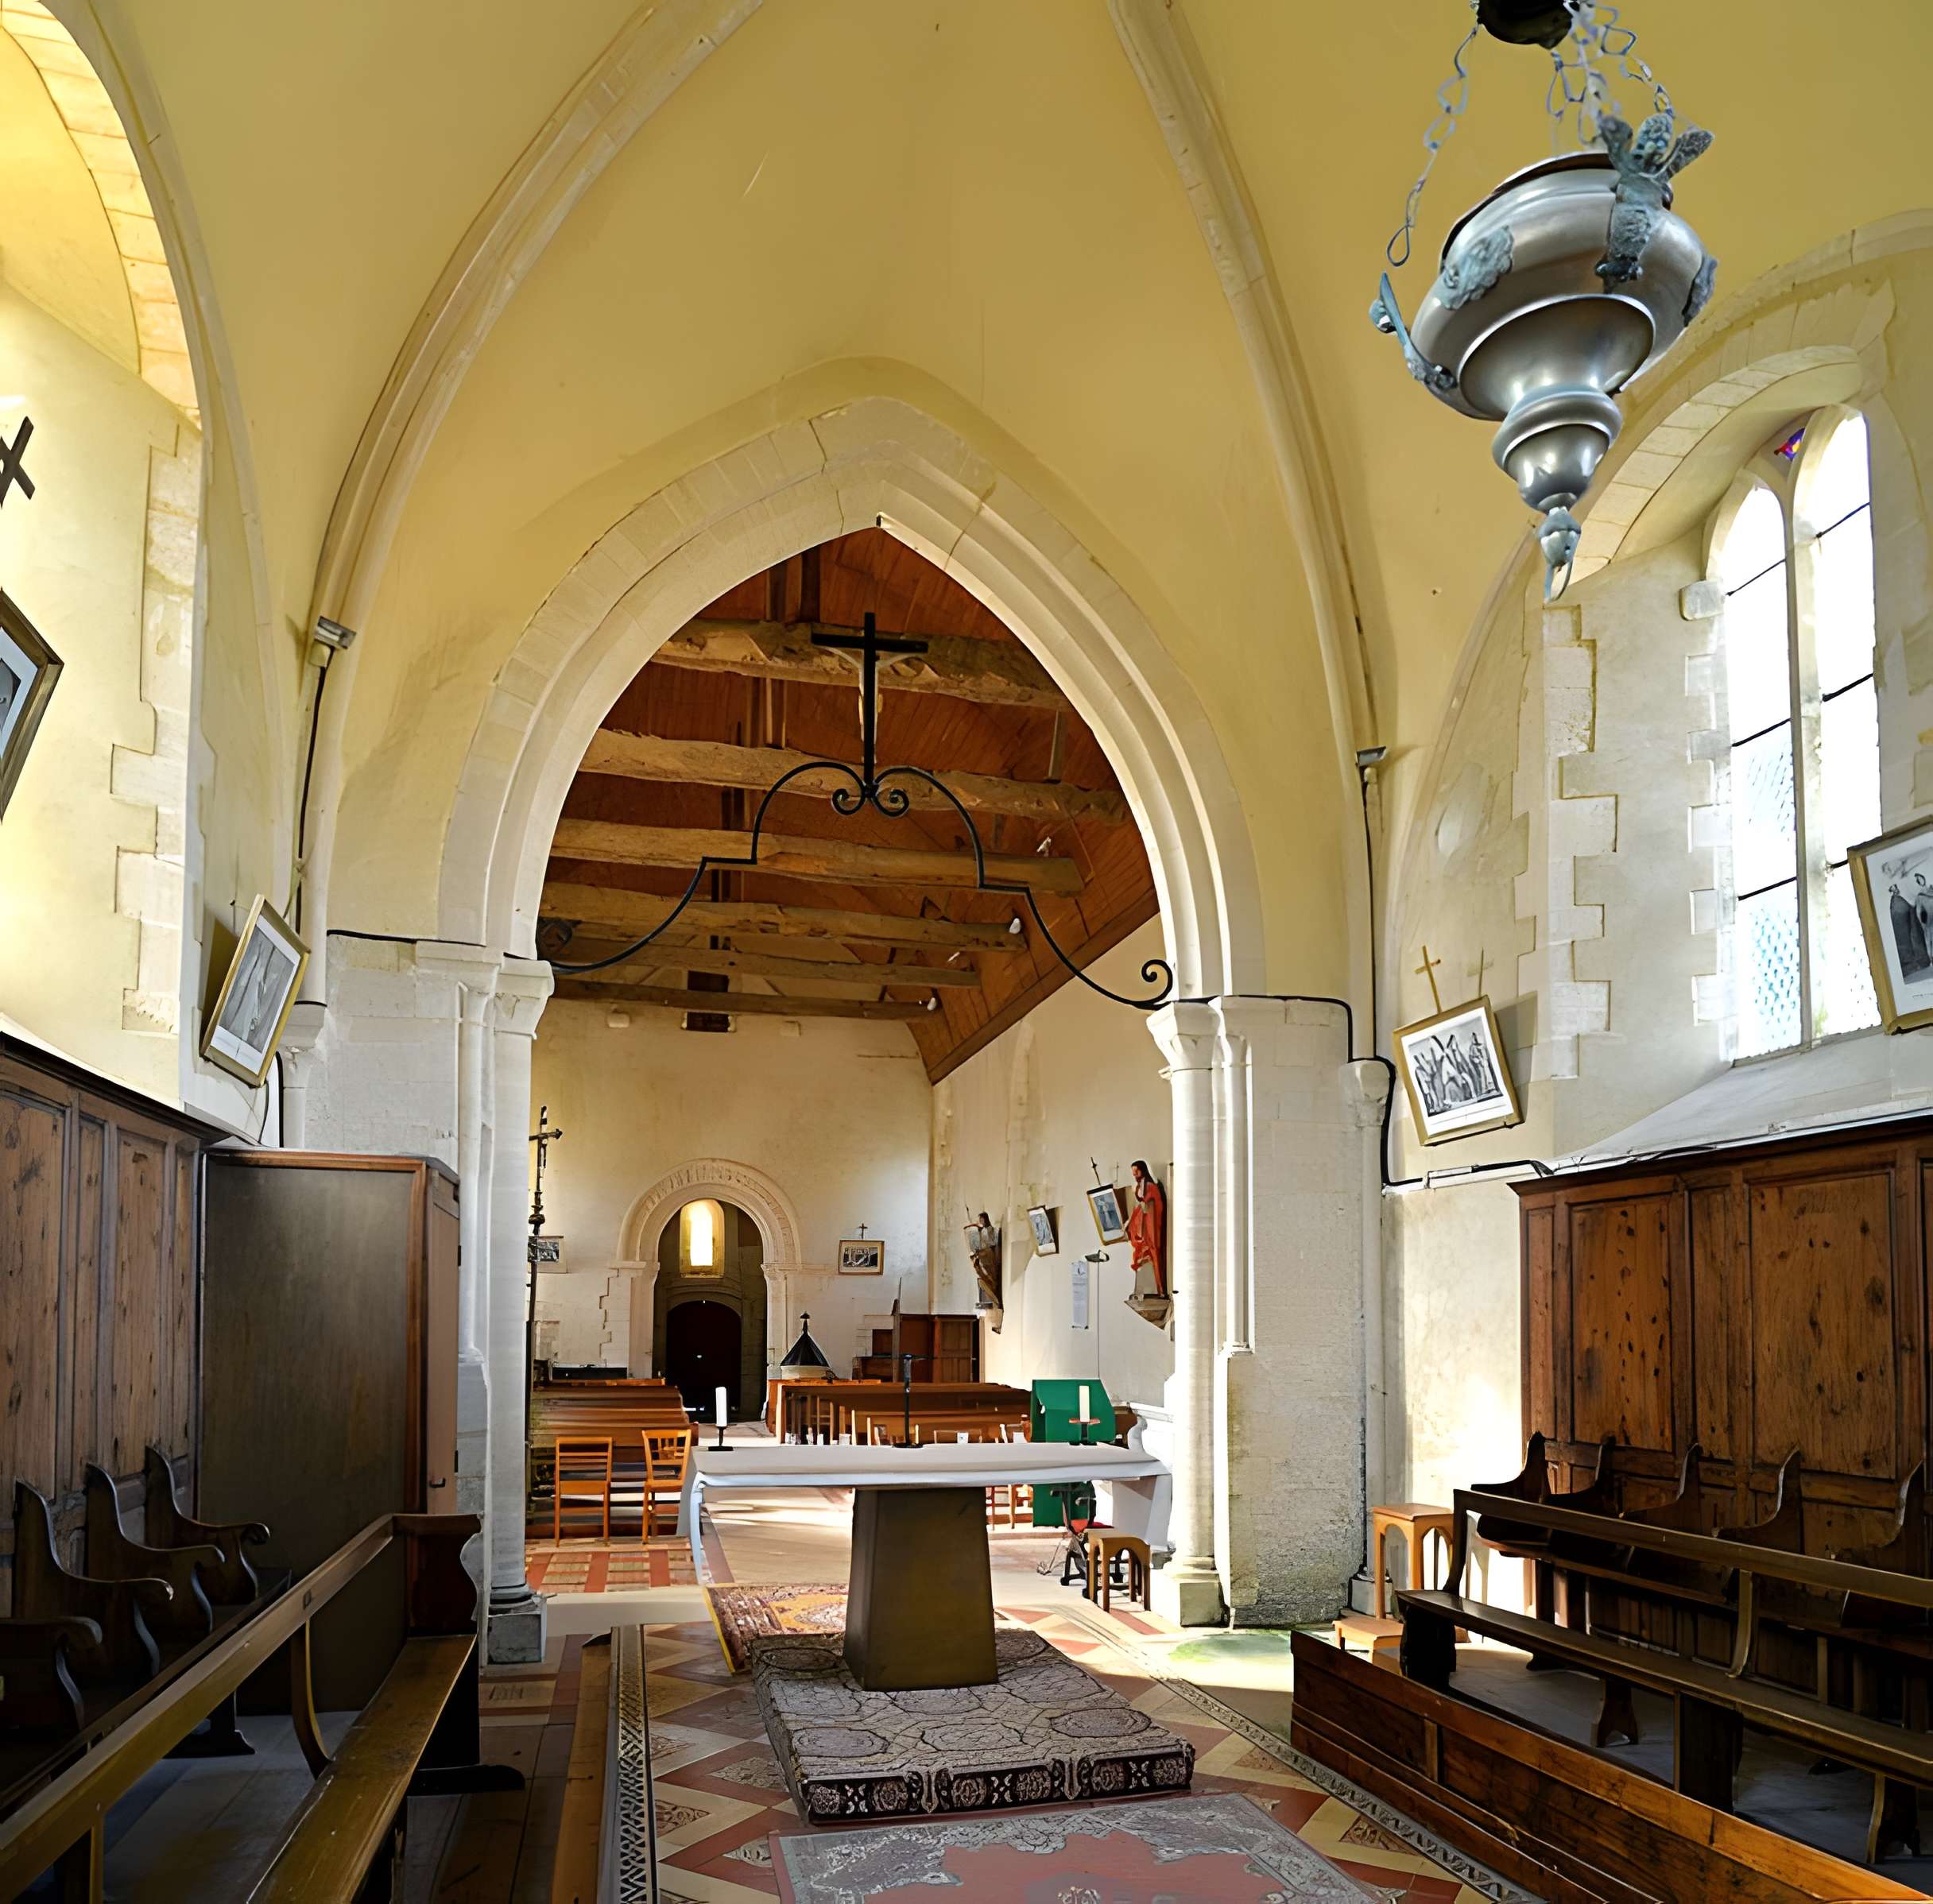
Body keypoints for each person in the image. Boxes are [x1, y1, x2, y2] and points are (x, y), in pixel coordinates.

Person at [1125, 1160, 1166, 1299]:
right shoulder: (1139, 1187)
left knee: (1152, 1251)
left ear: (1143, 1170)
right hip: (1143, 1225)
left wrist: (1141, 1210)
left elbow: (1149, 1205)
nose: (1134, 1174)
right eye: (1133, 1172)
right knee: (1141, 1252)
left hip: (1151, 1225)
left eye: (1136, 1171)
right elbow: (1141, 1205)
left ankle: (1159, 1289)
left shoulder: (1150, 1187)